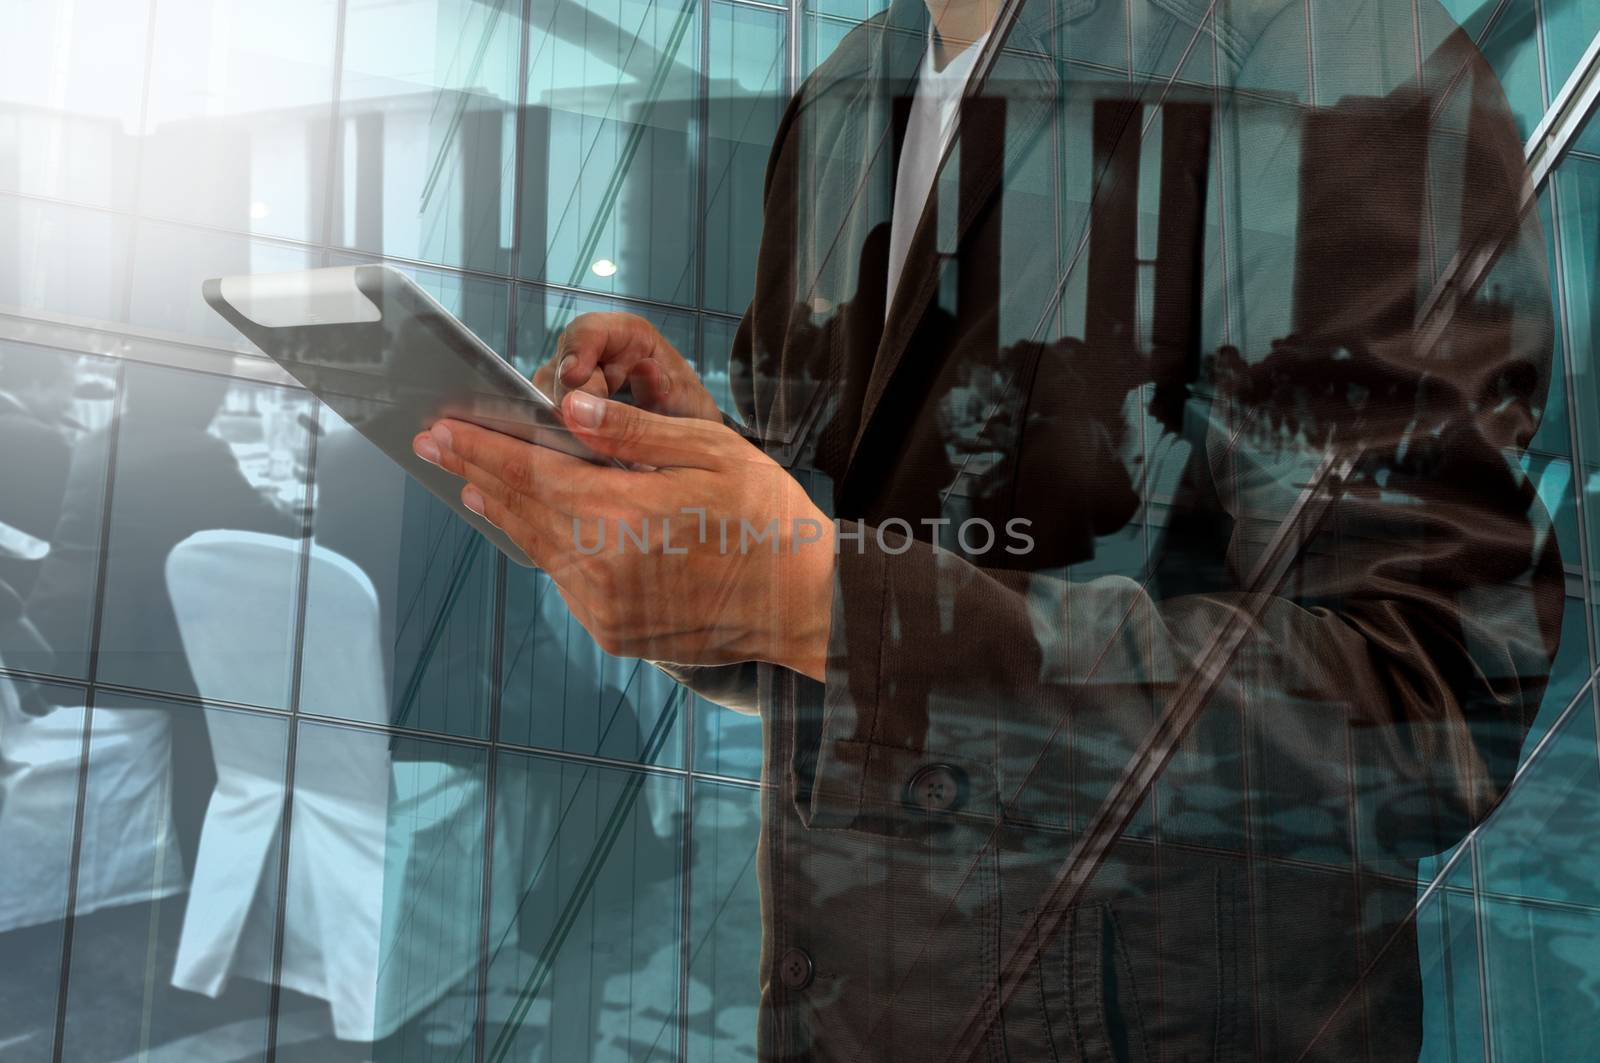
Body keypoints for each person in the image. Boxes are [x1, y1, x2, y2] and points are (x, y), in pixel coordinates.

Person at [413, 0, 1562, 1059]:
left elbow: (1431, 709)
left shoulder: (1336, 69)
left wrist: (832, 599)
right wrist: (708, 521)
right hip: (850, 995)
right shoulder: (851, 90)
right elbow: (849, 595)